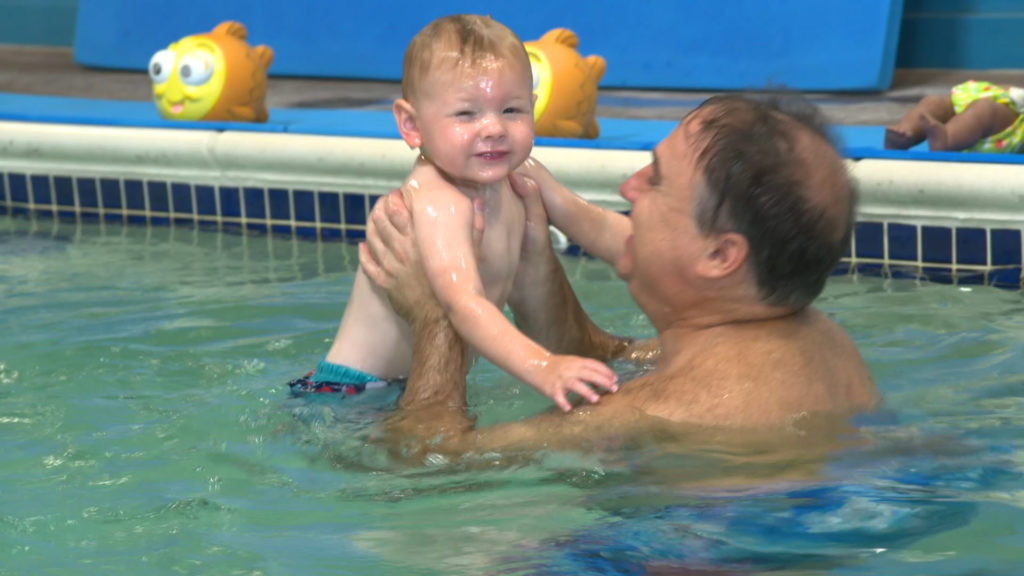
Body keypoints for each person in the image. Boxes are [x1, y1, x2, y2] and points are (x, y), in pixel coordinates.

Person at [362, 94, 880, 454]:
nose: (629, 186)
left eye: (655, 180)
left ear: (721, 256)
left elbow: (424, 462)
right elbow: (606, 361)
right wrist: (536, 258)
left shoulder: (656, 410)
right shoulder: (816, 340)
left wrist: (438, 316)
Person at [289, 14, 617, 411]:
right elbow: (463, 302)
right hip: (351, 394)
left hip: (419, 381)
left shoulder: (524, 175)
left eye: (511, 110)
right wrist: (543, 365)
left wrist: (652, 247)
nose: (494, 128)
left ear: (532, 108)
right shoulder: (437, 198)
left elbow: (595, 223)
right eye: (466, 114)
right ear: (412, 125)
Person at [884, 80, 1024, 152]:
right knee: (934, 103)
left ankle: (947, 140)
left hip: (1011, 127)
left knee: (984, 111)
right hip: (983, 97)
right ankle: (906, 132)